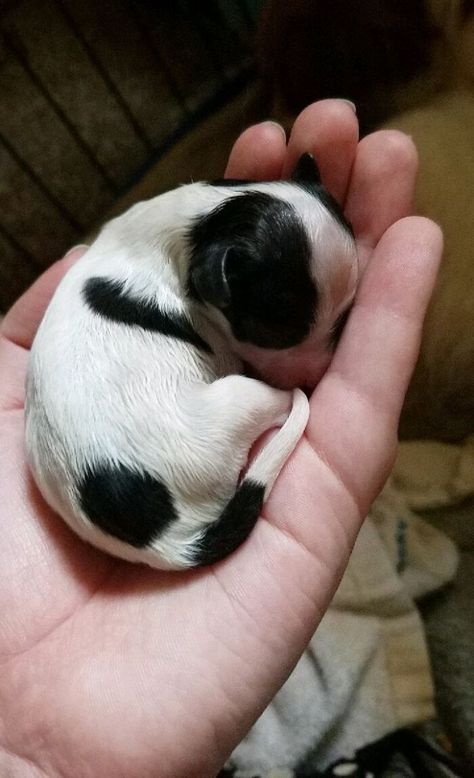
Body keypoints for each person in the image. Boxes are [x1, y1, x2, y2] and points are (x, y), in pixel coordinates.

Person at [0, 100, 442, 778]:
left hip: (120, 485)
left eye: (338, 321)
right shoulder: (195, 270)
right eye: (294, 335)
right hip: (164, 475)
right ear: (218, 282)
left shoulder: (150, 248)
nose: (322, 360)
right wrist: (281, 402)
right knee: (251, 403)